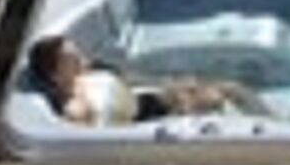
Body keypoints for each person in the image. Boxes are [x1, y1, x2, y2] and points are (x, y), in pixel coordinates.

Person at [30, 36, 272, 124]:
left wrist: (172, 85)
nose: (80, 57)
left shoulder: (88, 70)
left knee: (232, 87)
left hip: (146, 100)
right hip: (144, 122)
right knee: (216, 98)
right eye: (71, 58)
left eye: (77, 53)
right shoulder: (75, 105)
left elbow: (128, 80)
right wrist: (180, 106)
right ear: (56, 74)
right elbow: (77, 119)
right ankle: (269, 131)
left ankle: (273, 122)